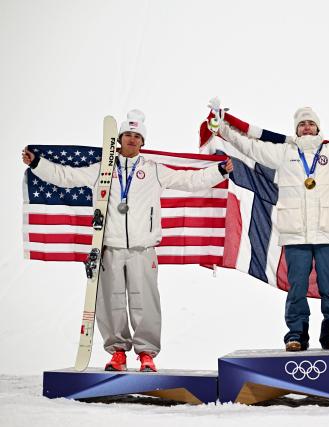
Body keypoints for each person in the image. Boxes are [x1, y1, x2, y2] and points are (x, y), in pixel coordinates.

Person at [22, 109, 233, 372]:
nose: (132, 139)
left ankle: (147, 354)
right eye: (127, 135)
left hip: (142, 249)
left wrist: (219, 171)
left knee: (145, 302)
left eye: (137, 136)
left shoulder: (154, 170)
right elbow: (67, 177)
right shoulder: (102, 169)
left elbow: (189, 180)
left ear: (143, 142)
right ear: (119, 139)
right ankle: (118, 353)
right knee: (111, 302)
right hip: (110, 248)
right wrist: (37, 163)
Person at [210, 103, 329, 351]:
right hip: (295, 233)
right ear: (296, 130)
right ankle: (296, 334)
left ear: (318, 127)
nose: (307, 127)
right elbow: (249, 146)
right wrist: (221, 126)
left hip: (327, 231)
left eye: (310, 123)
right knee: (297, 287)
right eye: (302, 124)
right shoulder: (284, 153)